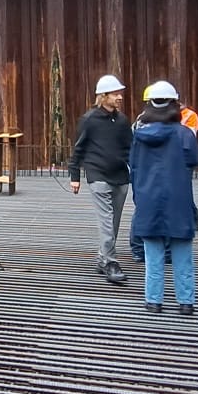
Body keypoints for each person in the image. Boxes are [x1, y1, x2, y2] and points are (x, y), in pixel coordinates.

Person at [129, 82, 198, 315]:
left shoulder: (139, 136)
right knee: (182, 254)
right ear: (174, 104)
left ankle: (153, 300)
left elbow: (134, 166)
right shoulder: (184, 134)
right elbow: (193, 160)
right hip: (178, 200)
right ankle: (186, 301)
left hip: (148, 198)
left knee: (152, 255)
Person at [67, 75, 132, 287]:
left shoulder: (123, 121)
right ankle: (111, 263)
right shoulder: (89, 119)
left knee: (114, 222)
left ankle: (102, 258)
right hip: (98, 176)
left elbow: (129, 148)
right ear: (103, 96)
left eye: (120, 93)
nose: (119, 97)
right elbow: (79, 148)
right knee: (106, 221)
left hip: (121, 177)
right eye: (115, 94)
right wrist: (74, 176)